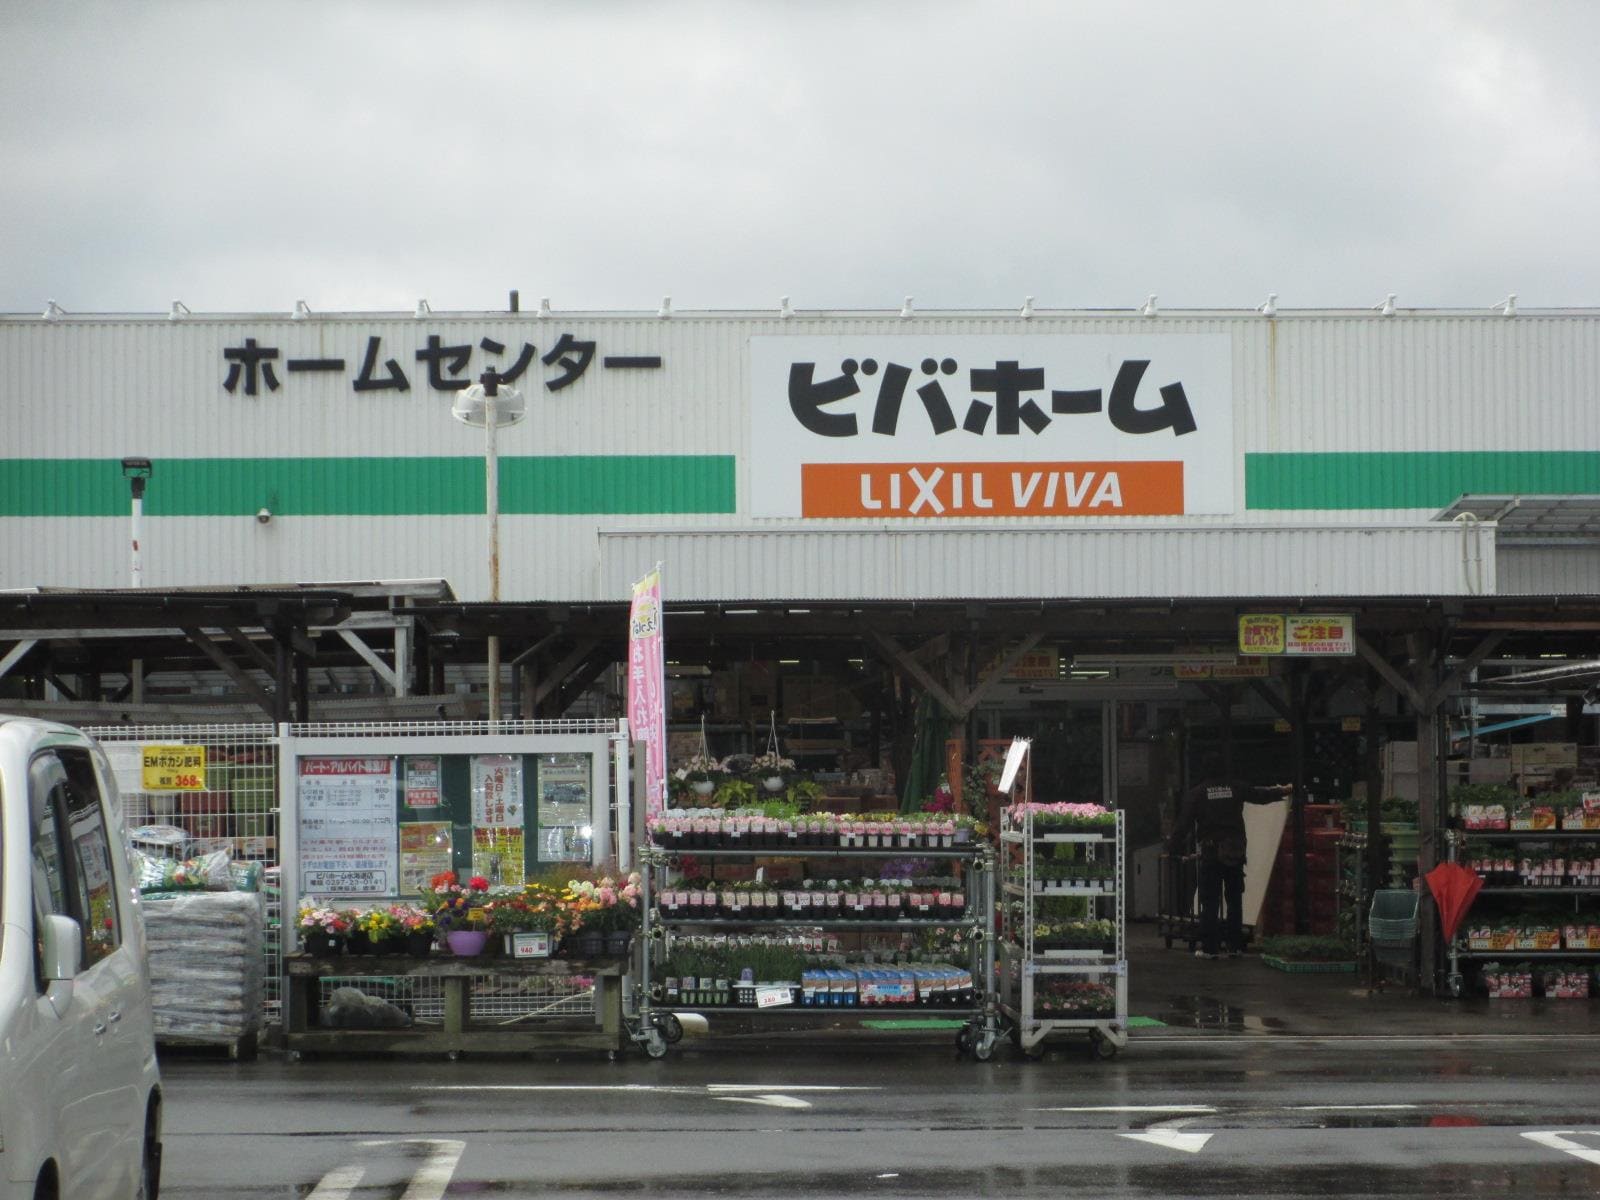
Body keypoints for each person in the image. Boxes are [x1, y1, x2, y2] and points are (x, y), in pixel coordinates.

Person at [1168, 776, 1293, 959]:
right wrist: (1282, 791)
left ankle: (1210, 948)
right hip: (1234, 852)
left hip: (1211, 854)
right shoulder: (1235, 787)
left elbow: (1183, 824)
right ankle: (1235, 946)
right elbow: (1259, 795)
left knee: (1210, 902)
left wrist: (1173, 848)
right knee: (1234, 900)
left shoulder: (1198, 793)